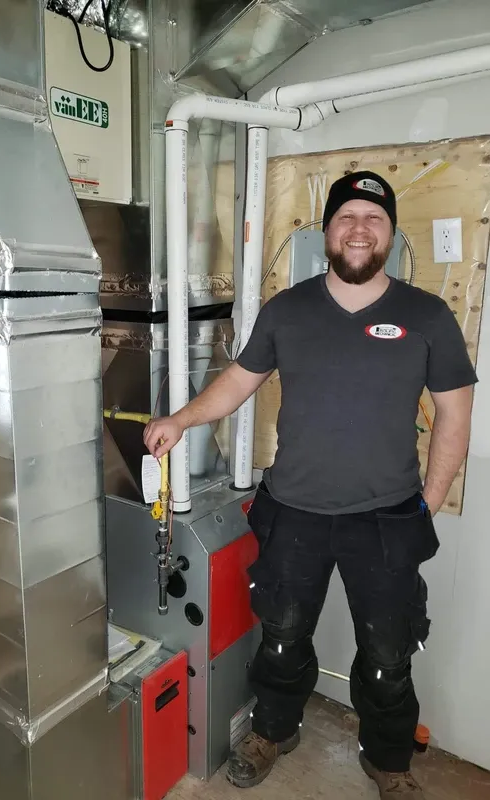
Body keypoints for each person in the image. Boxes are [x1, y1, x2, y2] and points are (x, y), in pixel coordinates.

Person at [143, 171, 477, 799]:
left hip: (387, 517)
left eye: (373, 218)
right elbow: (239, 381)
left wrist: (427, 506)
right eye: (347, 216)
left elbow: (455, 417)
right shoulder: (288, 309)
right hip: (294, 510)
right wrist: (181, 420)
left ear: (390, 233)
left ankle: (388, 759)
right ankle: (274, 730)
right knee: (281, 636)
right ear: (327, 230)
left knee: (389, 652)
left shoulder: (427, 315)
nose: (359, 229)